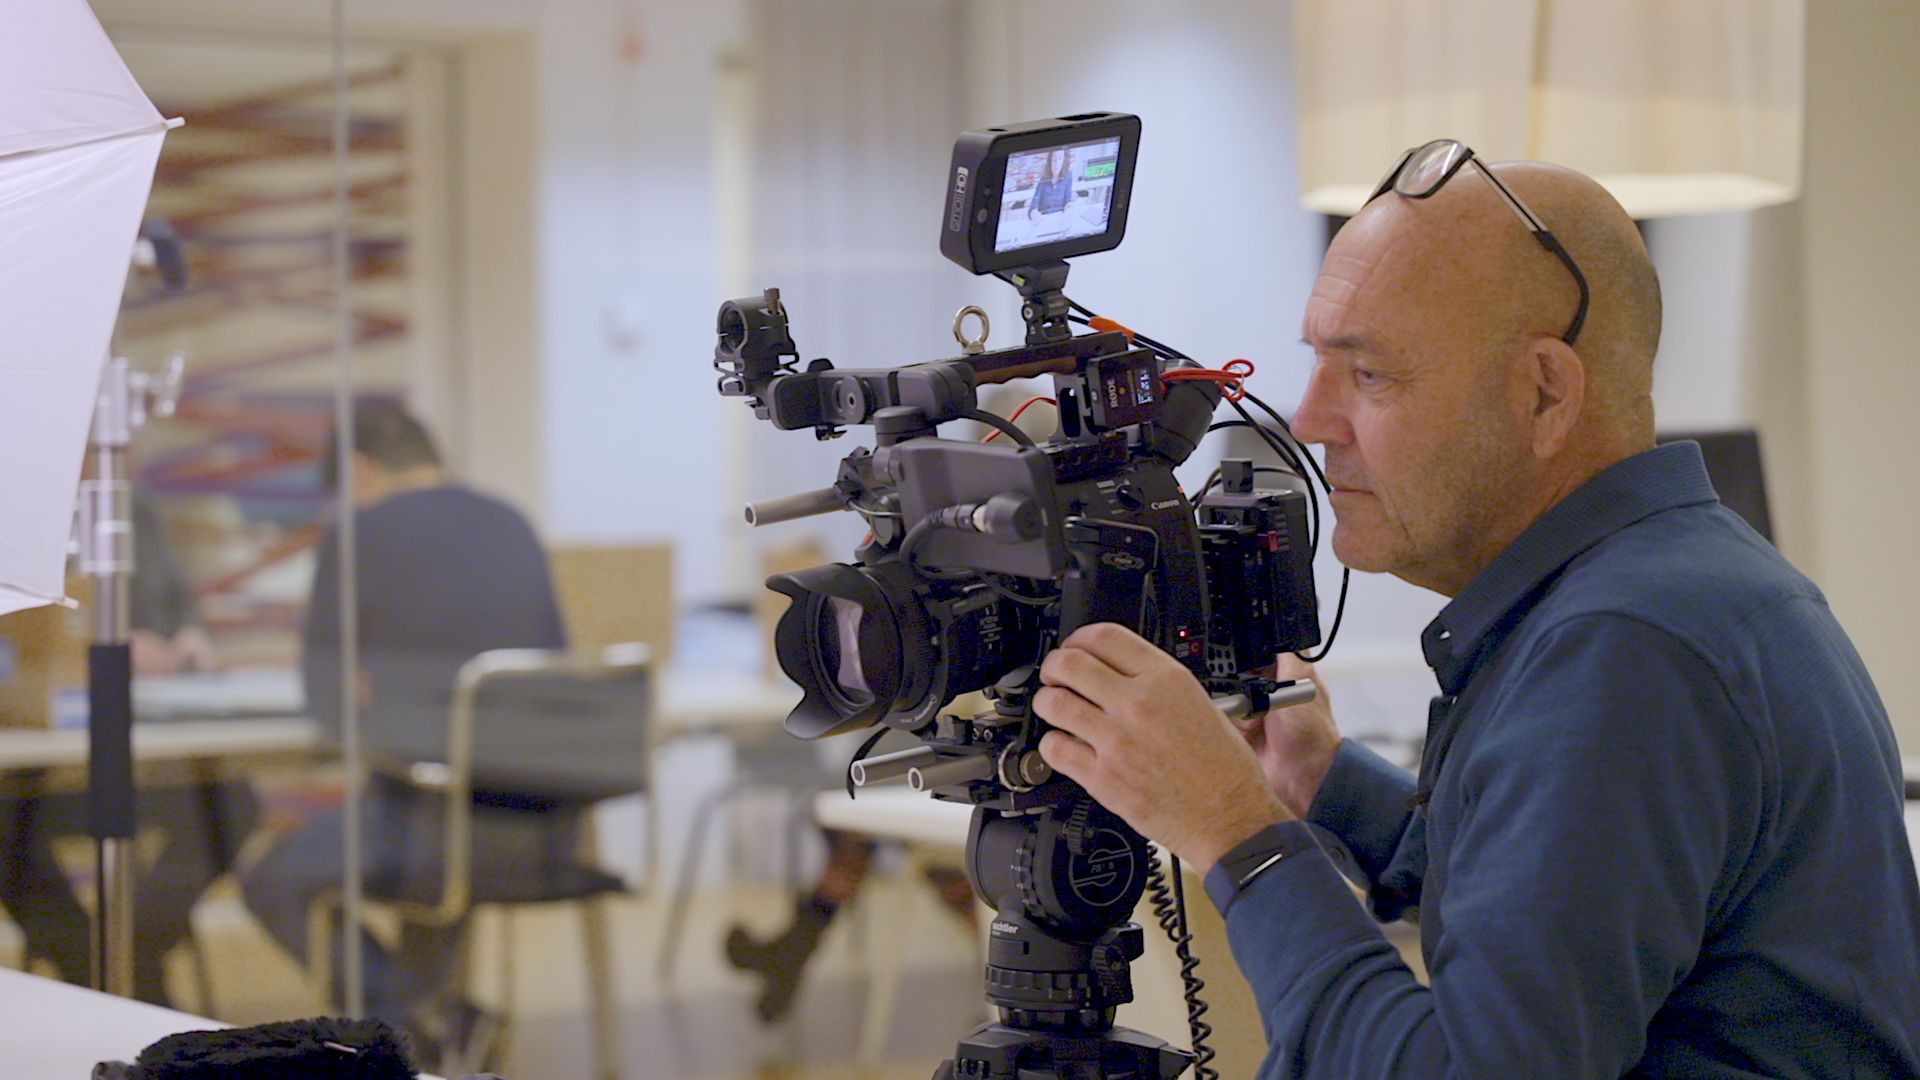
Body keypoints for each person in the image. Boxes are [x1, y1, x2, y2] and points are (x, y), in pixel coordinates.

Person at [1029, 142, 1920, 1076]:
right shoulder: (1666, 587)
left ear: (1544, 393)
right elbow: (1561, 910)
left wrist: (1234, 831)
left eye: (1369, 375)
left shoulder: (1623, 648)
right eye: (1320, 364)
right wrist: (1319, 784)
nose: (1312, 420)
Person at [240, 401, 568, 1055]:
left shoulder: (358, 535)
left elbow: (324, 698)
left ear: (359, 469)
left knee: (270, 879)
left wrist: (375, 710)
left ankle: (411, 1028)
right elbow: (556, 667)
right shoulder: (511, 521)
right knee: (438, 837)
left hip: (433, 824)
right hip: (541, 827)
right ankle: (436, 1024)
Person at [0, 486, 257, 1007]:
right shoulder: (18, 513)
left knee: (231, 802)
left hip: (145, 748)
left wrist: (189, 639)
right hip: (33, 768)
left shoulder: (134, 510)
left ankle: (136, 961)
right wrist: (101, 646)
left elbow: (179, 611)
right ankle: (93, 974)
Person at [1028, 148, 1074, 218]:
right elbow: (1033, 206)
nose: (1057, 164)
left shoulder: (1068, 176)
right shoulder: (1043, 178)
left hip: (1059, 218)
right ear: (1050, 160)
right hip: (1044, 219)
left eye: (1060, 158)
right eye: (1054, 159)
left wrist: (1069, 207)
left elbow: (1068, 200)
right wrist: (1033, 213)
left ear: (1064, 160)